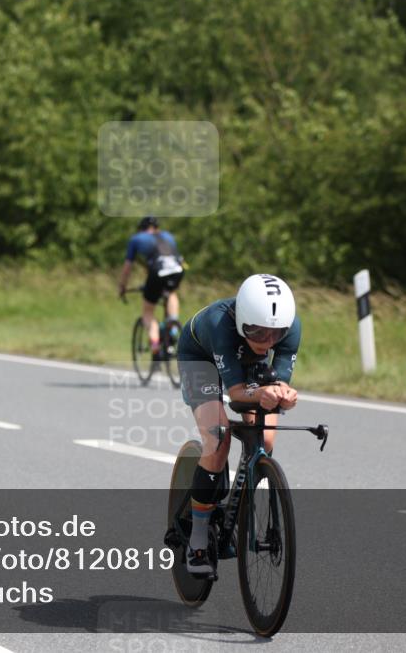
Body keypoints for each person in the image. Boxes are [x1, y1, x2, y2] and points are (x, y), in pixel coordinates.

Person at [175, 273, 301, 575]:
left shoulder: (290, 328)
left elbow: (278, 381)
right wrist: (260, 392)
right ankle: (198, 539)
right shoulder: (221, 325)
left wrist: (284, 393)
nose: (266, 341)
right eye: (256, 331)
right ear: (243, 319)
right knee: (218, 441)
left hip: (246, 363)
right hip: (201, 359)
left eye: (275, 334)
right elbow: (235, 393)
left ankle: (239, 505)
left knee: (266, 442)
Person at [117, 216, 185, 356]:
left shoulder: (136, 239)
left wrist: (122, 286)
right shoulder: (168, 236)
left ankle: (154, 344)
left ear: (141, 229)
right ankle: (173, 326)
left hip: (157, 272)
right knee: (171, 293)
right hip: (178, 269)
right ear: (157, 228)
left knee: (148, 311)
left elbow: (127, 268)